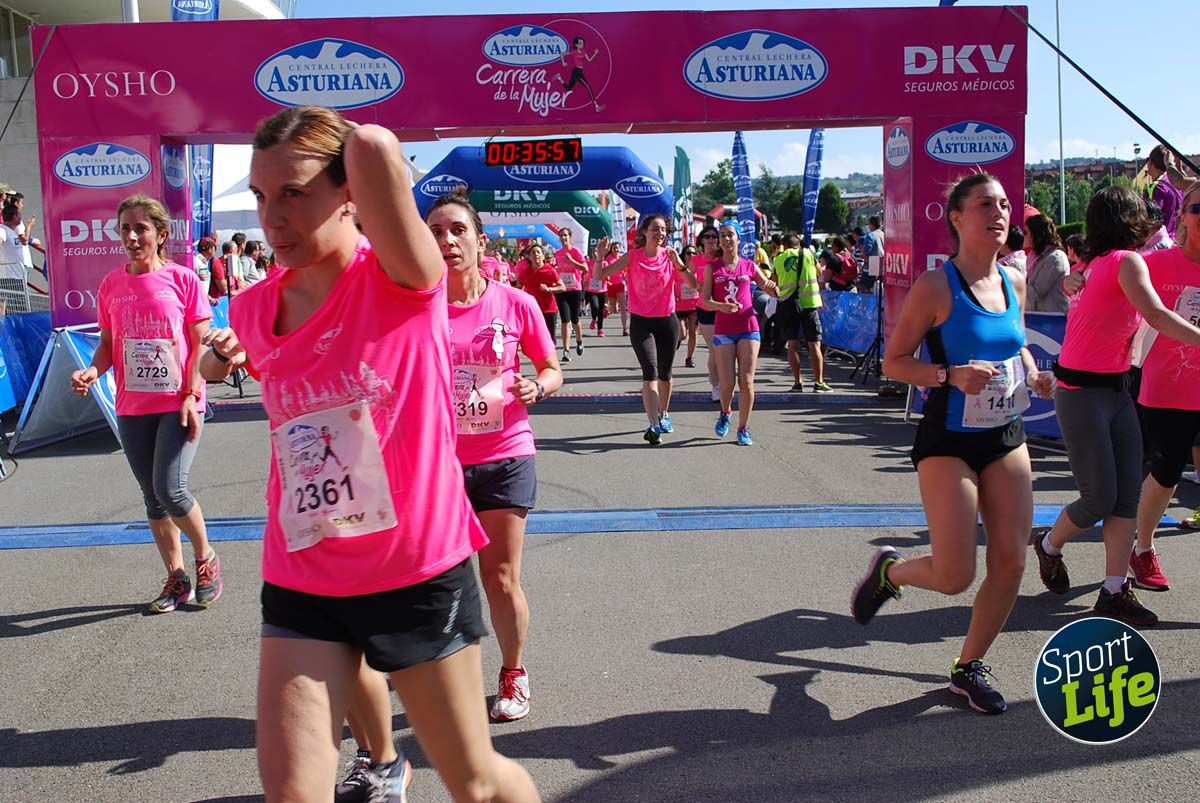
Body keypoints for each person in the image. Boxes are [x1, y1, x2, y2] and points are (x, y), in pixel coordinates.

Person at [197, 105, 539, 803]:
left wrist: (344, 146)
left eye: (294, 192)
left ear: (349, 188)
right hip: (304, 572)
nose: (273, 217)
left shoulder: (404, 280)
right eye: (261, 197)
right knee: (293, 793)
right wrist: (212, 360)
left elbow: (380, 145)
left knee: (475, 783)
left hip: (414, 569)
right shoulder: (253, 310)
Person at [853, 173, 1054, 715]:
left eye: (1005, 204)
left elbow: (1017, 346)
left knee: (1011, 562)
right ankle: (890, 572)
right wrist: (947, 374)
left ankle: (968, 668)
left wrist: (1035, 375)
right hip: (949, 439)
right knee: (954, 574)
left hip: (1006, 434)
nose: (999, 212)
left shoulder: (1014, 278)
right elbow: (896, 363)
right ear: (958, 218)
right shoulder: (935, 287)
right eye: (985, 204)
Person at [1033, 186, 1200, 628]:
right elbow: (1159, 316)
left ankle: (1113, 591)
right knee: (1099, 498)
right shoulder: (1125, 262)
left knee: (1126, 495)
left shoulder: (1095, 265)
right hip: (1082, 392)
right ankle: (1048, 544)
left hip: (1114, 391)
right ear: (1130, 218)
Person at [70, 194, 221, 614]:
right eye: (125, 229)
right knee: (152, 498)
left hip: (179, 401)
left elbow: (199, 345)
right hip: (132, 406)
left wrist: (192, 394)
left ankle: (206, 558)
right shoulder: (111, 285)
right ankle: (176, 580)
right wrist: (92, 372)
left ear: (160, 234)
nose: (133, 237)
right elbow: (105, 346)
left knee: (171, 489)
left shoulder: (183, 280)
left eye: (141, 228)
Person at [1130, 181, 1200, 590]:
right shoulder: (1155, 265)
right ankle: (1142, 548)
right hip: (1166, 392)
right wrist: (1076, 284)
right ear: (1182, 218)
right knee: (1166, 477)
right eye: (1198, 209)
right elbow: (1105, 288)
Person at [594, 215, 697, 444]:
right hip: (641, 322)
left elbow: (692, 284)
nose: (659, 233)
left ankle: (664, 414)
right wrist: (600, 257)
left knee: (665, 374)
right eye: (655, 229)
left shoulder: (670, 257)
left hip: (667, 321)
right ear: (644, 232)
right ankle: (653, 425)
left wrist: (679, 262)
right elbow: (599, 276)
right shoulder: (633, 256)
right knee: (650, 373)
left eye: (663, 230)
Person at [704, 223, 778, 446]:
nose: (726, 239)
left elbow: (767, 285)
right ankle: (725, 412)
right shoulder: (713, 268)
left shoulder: (748, 265)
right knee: (727, 383)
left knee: (746, 381)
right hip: (724, 330)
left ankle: (743, 428)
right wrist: (721, 306)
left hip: (748, 327)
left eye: (731, 235)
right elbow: (705, 300)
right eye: (723, 236)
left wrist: (774, 287)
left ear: (738, 239)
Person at [773, 233, 830, 392]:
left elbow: (774, 280)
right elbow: (819, 272)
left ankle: (797, 382)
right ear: (798, 243)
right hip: (809, 304)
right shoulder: (808, 253)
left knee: (792, 345)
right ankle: (819, 382)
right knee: (814, 345)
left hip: (789, 304)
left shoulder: (779, 258)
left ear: (784, 245)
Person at [693, 226, 723, 402]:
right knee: (715, 348)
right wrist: (699, 288)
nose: (711, 239)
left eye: (714, 236)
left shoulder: (723, 258)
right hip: (705, 308)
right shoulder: (696, 260)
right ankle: (716, 385)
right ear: (701, 240)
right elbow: (688, 280)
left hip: (723, 307)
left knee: (723, 349)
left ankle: (724, 382)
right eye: (707, 236)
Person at [518, 243, 565, 342]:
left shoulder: (550, 270)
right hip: (532, 310)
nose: (536, 255)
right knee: (535, 338)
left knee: (550, 338)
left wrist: (549, 289)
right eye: (533, 253)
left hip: (549, 309)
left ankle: (551, 356)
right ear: (529, 257)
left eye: (538, 252)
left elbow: (562, 287)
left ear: (543, 256)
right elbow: (519, 288)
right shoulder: (525, 272)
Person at [1023, 215, 1070, 312]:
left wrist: (1014, 281)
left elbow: (1035, 294)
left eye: (1026, 232)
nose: (1023, 236)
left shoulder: (1055, 258)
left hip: (1054, 319)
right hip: (1039, 318)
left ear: (1036, 234)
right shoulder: (1035, 258)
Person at [553, 228, 587, 361]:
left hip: (575, 289)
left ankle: (579, 341)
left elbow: (585, 268)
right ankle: (566, 351)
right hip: (562, 289)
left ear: (570, 237)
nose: (563, 238)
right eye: (561, 236)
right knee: (565, 320)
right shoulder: (558, 253)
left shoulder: (575, 251)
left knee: (575, 319)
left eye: (565, 235)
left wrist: (572, 261)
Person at [1145, 144, 1183, 239]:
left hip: (1160, 242)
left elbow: (1152, 219)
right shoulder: (1177, 184)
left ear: (1150, 162)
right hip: (1177, 240)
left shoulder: (1157, 187)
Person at [557, 36, 603, 112]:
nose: (582, 44)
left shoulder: (583, 51)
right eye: (580, 43)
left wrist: (595, 53)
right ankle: (596, 106)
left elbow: (589, 60)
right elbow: (562, 54)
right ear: (576, 45)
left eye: (583, 43)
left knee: (568, 88)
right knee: (588, 87)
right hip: (576, 72)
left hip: (580, 71)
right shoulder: (573, 52)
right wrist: (563, 62)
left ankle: (559, 78)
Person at [675, 243, 701, 367]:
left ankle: (689, 358)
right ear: (684, 256)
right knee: (683, 334)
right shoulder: (678, 269)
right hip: (680, 306)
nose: (691, 255)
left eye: (694, 253)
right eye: (688, 253)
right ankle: (679, 339)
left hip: (695, 306)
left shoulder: (699, 269)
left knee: (693, 333)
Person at [602, 241, 628, 336]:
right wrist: (606, 279)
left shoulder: (622, 258)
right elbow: (604, 271)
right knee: (613, 309)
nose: (616, 250)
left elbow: (626, 271)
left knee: (622, 307)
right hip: (611, 285)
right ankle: (606, 310)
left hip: (620, 284)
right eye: (614, 248)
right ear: (611, 250)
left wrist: (626, 280)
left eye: (617, 248)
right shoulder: (608, 259)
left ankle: (625, 329)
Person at [584, 247, 608, 337]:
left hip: (602, 289)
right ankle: (594, 319)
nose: (595, 254)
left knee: (601, 310)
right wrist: (585, 279)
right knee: (595, 306)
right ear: (592, 254)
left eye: (597, 252)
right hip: (591, 289)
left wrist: (606, 277)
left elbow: (608, 275)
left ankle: (600, 329)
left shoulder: (604, 263)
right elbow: (584, 272)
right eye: (594, 252)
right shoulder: (588, 263)